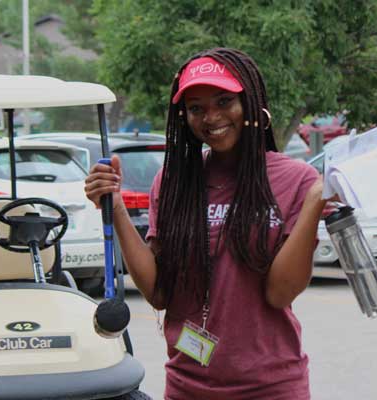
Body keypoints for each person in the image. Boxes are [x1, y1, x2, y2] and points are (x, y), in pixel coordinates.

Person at [85, 47, 329, 400]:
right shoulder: (173, 183)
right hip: (188, 387)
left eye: (223, 101)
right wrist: (116, 206)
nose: (211, 117)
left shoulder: (296, 180)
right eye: (196, 108)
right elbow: (158, 293)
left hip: (271, 388)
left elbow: (280, 293)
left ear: (248, 101)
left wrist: (314, 205)